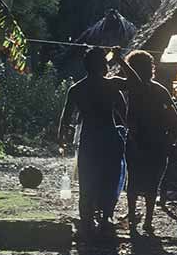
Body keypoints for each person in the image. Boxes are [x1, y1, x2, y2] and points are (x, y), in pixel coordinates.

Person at [57, 47, 133, 240]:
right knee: (109, 179)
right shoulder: (112, 85)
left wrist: (62, 139)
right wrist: (120, 59)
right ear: (103, 65)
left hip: (89, 139)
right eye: (107, 63)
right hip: (109, 137)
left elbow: (65, 119)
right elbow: (136, 84)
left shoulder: (77, 89)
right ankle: (106, 218)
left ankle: (87, 220)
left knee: (87, 180)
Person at [123, 49, 177, 235]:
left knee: (133, 180)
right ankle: (147, 221)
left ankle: (132, 218)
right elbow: (175, 117)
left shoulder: (130, 90)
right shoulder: (159, 90)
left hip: (136, 141)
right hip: (157, 141)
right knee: (152, 183)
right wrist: (172, 136)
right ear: (151, 68)